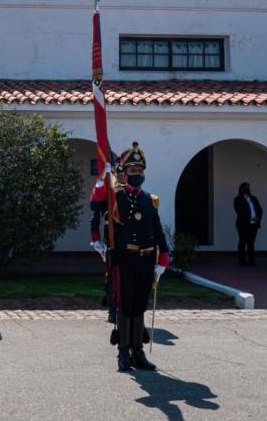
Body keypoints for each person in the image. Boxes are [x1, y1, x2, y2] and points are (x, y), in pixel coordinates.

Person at [90, 142, 169, 372]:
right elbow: (96, 204)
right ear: (124, 172)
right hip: (124, 258)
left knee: (139, 305)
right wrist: (101, 179)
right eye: (132, 171)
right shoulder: (116, 196)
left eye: (139, 171)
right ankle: (123, 352)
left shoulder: (149, 199)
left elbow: (158, 231)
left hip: (145, 260)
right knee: (125, 304)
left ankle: (139, 352)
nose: (136, 175)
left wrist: (162, 259)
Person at [91, 159, 125, 324]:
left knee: (127, 276)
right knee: (111, 275)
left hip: (128, 240)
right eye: (119, 174)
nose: (122, 177)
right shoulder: (107, 193)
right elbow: (95, 213)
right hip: (110, 238)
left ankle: (125, 307)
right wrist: (96, 239)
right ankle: (112, 310)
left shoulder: (131, 193)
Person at [234, 182, 263, 266]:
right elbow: (238, 211)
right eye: (244, 187)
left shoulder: (254, 198)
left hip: (254, 224)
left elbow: (260, 210)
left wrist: (258, 218)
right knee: (242, 242)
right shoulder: (237, 199)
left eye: (248, 187)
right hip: (243, 224)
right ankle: (242, 261)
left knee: (251, 243)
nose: (246, 189)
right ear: (241, 188)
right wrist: (249, 217)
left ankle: (252, 261)